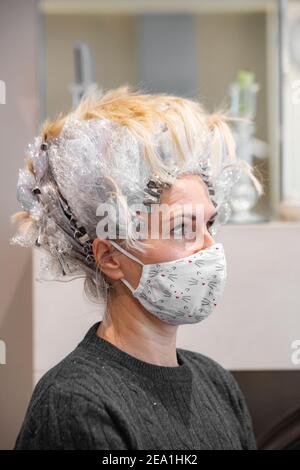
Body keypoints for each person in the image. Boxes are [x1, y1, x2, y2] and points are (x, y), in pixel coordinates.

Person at [11, 85, 262, 450]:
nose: (210, 248)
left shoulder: (216, 383)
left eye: (208, 224)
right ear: (111, 257)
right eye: (181, 228)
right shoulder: (75, 403)